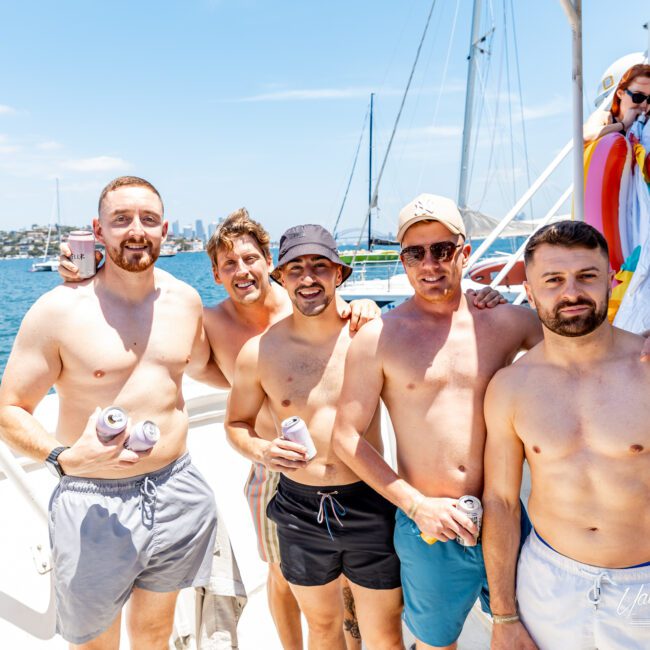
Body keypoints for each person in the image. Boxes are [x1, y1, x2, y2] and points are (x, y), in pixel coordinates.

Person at [0, 176, 218, 648]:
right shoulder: (58, 310)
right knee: (96, 641)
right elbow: (11, 410)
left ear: (164, 230)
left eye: (148, 219)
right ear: (98, 230)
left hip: (178, 490)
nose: (136, 230)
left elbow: (212, 368)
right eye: (121, 219)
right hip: (93, 500)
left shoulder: (185, 300)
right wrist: (61, 457)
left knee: (156, 632)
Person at [332, 193, 544, 650]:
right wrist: (415, 505)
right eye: (415, 253)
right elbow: (345, 439)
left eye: (442, 250)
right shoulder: (378, 337)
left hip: (505, 515)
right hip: (428, 525)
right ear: (403, 260)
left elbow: (580, 344)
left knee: (527, 636)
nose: (429, 264)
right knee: (434, 645)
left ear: (464, 253)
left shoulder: (508, 322)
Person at [203, 209, 380, 650]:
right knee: (281, 574)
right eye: (229, 264)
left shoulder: (323, 308)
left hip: (354, 482)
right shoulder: (216, 326)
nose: (242, 271)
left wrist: (364, 305)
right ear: (217, 274)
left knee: (357, 605)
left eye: (250, 259)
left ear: (268, 264)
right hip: (274, 472)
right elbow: (162, 344)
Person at [482, 220, 650, 650]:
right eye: (553, 280)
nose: (571, 292)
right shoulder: (511, 386)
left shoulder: (645, 368)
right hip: (549, 581)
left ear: (610, 281)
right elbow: (500, 503)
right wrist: (503, 615)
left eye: (586, 276)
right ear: (531, 293)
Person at [583, 63, 650, 143]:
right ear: (620, 94)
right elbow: (585, 137)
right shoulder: (605, 117)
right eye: (638, 97)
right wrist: (623, 124)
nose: (644, 105)